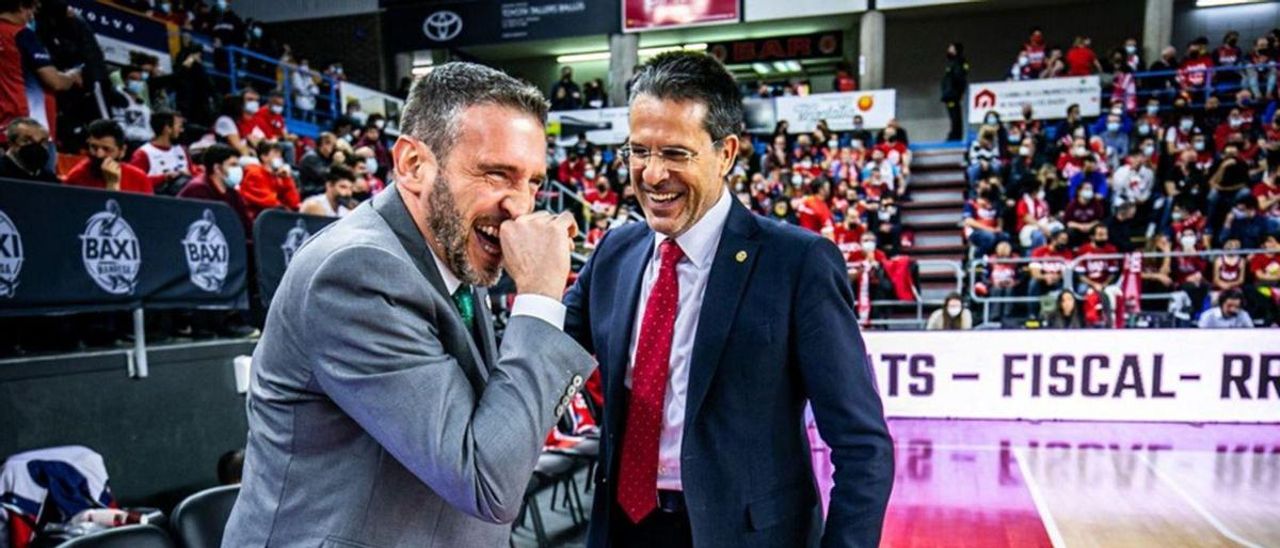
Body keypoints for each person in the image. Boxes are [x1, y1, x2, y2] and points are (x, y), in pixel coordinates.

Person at [223, 62, 595, 546]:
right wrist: (541, 300)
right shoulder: (354, 272)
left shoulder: (450, 248)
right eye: (496, 174)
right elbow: (488, 479)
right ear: (413, 165)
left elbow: (490, 428)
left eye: (533, 182)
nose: (520, 207)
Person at [562, 51, 892, 548]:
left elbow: (863, 445)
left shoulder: (797, 263)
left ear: (727, 153)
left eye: (675, 154)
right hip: (622, 529)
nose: (651, 175)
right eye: (639, 151)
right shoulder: (613, 252)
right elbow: (544, 352)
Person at [0, 0, 81, 142]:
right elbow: (55, 82)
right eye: (31, 10)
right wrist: (72, 75)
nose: (31, 17)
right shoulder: (23, 35)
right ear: (21, 6)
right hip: (31, 129)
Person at [176, 143, 250, 236]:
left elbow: (246, 227)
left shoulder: (233, 194)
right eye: (233, 165)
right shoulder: (197, 190)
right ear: (217, 168)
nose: (238, 169)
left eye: (238, 165)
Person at [63, 119, 151, 194]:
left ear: (122, 151)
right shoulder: (77, 177)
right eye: (94, 147)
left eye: (106, 149)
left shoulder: (139, 179)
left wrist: (113, 184)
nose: (99, 154)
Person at [129, 110, 193, 195]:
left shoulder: (182, 150)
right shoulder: (143, 154)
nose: (181, 130)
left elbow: (193, 172)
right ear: (167, 128)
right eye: (179, 126)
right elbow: (133, 183)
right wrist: (164, 178)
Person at [239, 141, 300, 220]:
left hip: (274, 217)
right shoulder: (254, 174)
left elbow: (294, 203)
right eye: (275, 153)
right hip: (258, 219)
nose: (280, 158)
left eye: (280, 155)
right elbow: (271, 203)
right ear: (264, 157)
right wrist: (290, 213)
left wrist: (287, 179)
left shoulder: (277, 175)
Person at [0, 117, 57, 183]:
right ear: (11, 143)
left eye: (42, 142)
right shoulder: (2, 172)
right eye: (27, 141)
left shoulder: (50, 180)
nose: (36, 147)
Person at [941, 42, 968, 142]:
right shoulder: (952, 62)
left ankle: (955, 136)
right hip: (950, 95)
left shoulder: (958, 62)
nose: (948, 50)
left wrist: (956, 92)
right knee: (953, 116)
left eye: (951, 48)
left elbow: (959, 78)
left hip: (953, 95)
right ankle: (954, 134)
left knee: (955, 116)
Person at [299, 131, 337, 197]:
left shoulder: (325, 157)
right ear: (324, 144)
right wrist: (335, 163)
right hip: (309, 190)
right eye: (332, 145)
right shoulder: (311, 157)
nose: (333, 149)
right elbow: (324, 176)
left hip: (318, 188)